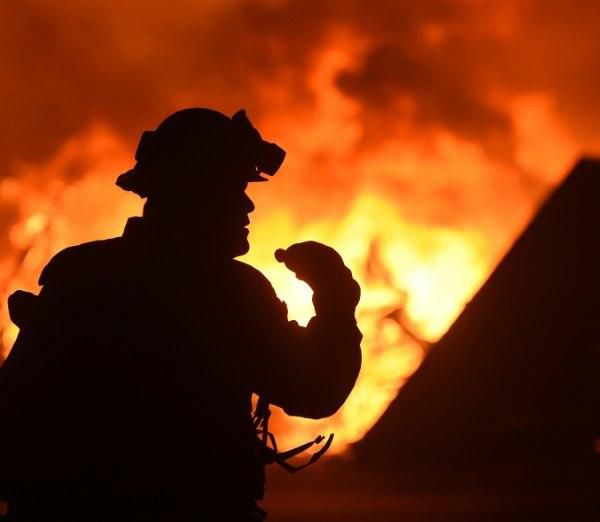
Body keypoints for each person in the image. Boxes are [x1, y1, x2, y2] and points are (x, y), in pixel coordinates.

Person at [0, 108, 362, 521]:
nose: (246, 206)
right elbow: (313, 389)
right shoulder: (230, 292)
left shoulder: (78, 274)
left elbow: (15, 409)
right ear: (196, 192)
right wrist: (336, 300)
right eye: (232, 189)